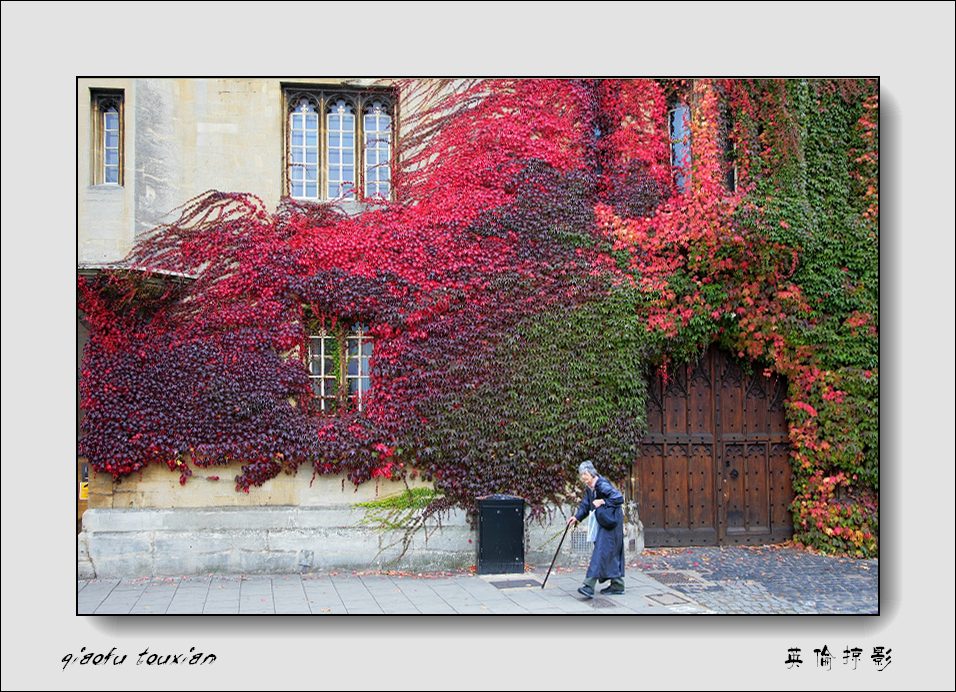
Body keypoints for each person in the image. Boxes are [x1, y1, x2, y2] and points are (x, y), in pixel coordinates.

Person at [567, 460, 626, 597]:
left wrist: (603, 501)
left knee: (601, 552)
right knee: (607, 552)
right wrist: (576, 518)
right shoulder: (590, 488)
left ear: (591, 473)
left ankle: (588, 586)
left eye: (585, 474)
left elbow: (618, 498)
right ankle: (617, 585)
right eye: (582, 475)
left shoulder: (601, 484)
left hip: (611, 523)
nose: (583, 478)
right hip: (605, 522)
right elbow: (585, 505)